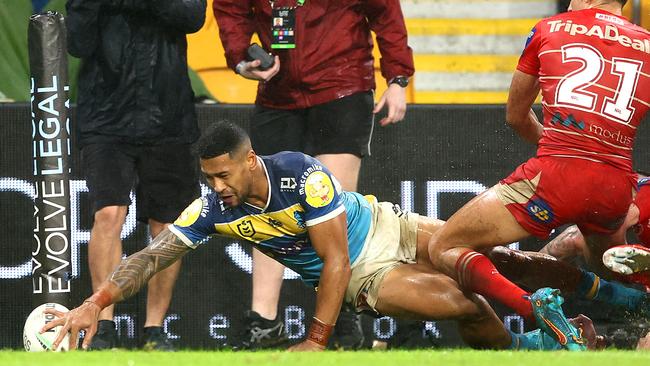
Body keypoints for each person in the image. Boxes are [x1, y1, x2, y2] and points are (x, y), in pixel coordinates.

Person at [41, 121, 586, 351]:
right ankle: (528, 348)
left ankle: (615, 297)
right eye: (208, 177)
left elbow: (333, 259)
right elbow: (153, 255)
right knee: (459, 300)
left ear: (249, 161)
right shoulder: (213, 208)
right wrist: (96, 301)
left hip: (384, 226)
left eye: (223, 175)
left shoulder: (300, 172)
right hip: (368, 273)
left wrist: (316, 340)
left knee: (503, 261)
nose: (215, 186)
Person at [426, 0, 650, 351]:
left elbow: (516, 116)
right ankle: (640, 291)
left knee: (444, 245)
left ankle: (533, 308)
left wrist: (561, 149)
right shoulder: (647, 42)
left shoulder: (550, 28)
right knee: (604, 263)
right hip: (617, 185)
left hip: (556, 174)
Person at [212, 0, 414, 349]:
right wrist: (241, 57)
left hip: (343, 87)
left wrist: (398, 78)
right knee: (265, 210)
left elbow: (385, 11)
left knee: (334, 214)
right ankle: (263, 322)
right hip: (277, 93)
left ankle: (341, 318)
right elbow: (230, 8)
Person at [65, 0, 206, 350]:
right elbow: (77, 42)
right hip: (104, 118)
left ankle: (154, 330)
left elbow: (192, 17)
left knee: (166, 226)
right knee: (109, 214)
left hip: (168, 116)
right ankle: (104, 325)